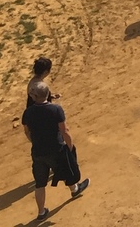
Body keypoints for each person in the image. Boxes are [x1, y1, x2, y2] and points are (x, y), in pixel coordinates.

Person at [22, 80, 88, 218]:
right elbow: (64, 131)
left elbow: (27, 132)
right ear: (48, 94)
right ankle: (75, 189)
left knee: (39, 184)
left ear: (34, 97)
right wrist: (69, 147)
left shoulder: (28, 112)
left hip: (38, 152)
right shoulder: (55, 109)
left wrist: (34, 142)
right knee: (65, 171)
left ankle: (41, 212)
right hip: (56, 149)